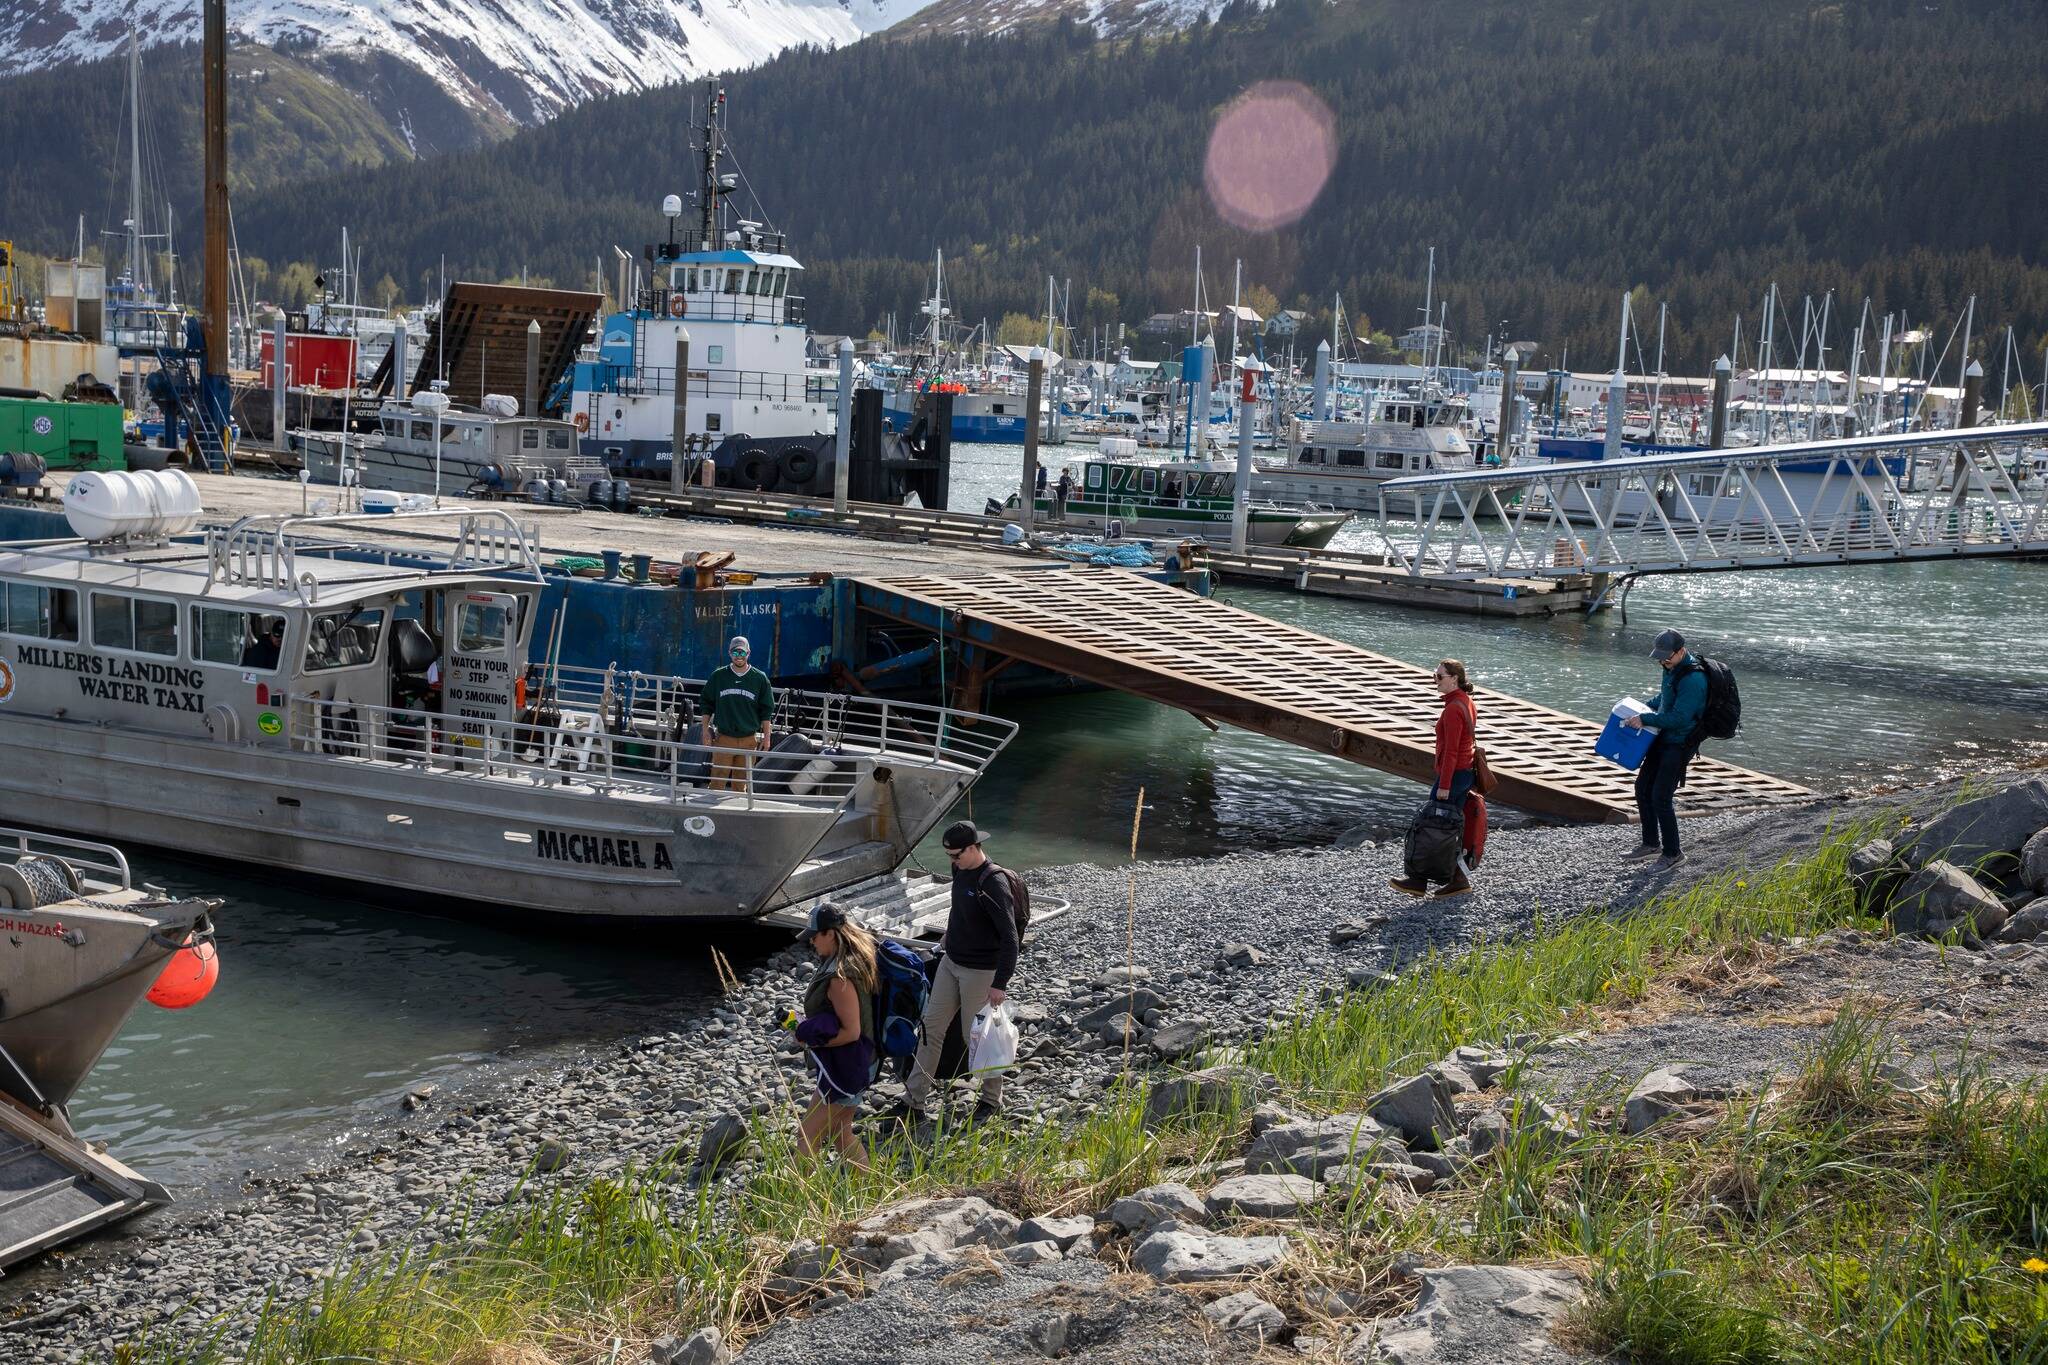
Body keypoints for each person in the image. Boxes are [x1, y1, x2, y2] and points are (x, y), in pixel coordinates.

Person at [889, 821, 1018, 1125]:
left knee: (975, 1037)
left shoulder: (994, 882)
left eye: (957, 855)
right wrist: (945, 940)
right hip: (951, 962)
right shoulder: (961, 871)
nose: (952, 861)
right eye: (948, 855)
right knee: (930, 1029)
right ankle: (914, 1100)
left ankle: (990, 1100)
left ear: (974, 848)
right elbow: (959, 911)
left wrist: (1000, 983)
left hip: (980, 972)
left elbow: (1011, 938)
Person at [790, 902, 876, 1169]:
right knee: (840, 1133)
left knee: (807, 1135)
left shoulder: (840, 977)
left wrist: (811, 1039)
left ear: (830, 933)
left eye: (815, 936)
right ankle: (869, 1187)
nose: (812, 942)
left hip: (846, 1069)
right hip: (856, 1064)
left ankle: (796, 1198)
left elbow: (851, 1032)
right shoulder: (853, 958)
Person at [1390, 658, 1477, 899]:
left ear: (1454, 679)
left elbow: (1450, 751)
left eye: (1440, 677)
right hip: (1464, 774)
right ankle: (1456, 880)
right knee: (1449, 828)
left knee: (1432, 827)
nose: (1435, 681)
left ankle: (1418, 881)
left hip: (1453, 776)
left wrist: (1444, 786)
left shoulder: (1452, 709)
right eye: (1434, 675)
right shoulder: (1466, 702)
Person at [1623, 629, 1707, 866]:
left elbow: (1680, 717)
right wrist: (1639, 708)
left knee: (1661, 796)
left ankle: (1673, 854)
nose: (1662, 661)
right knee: (1642, 788)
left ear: (1681, 651)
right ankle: (1650, 844)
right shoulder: (1671, 669)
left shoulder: (1694, 679)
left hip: (1680, 743)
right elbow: (1665, 698)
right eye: (1659, 657)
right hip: (1662, 738)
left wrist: (1646, 720)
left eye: (1667, 657)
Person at [700, 636, 774, 791]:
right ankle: (713, 811)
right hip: (724, 738)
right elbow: (706, 704)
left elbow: (766, 711)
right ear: (729, 653)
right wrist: (705, 729)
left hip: (748, 740)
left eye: (742, 652)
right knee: (717, 780)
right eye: (735, 652)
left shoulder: (759, 678)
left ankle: (737, 810)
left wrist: (767, 737)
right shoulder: (718, 676)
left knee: (741, 783)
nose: (739, 656)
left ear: (748, 653)